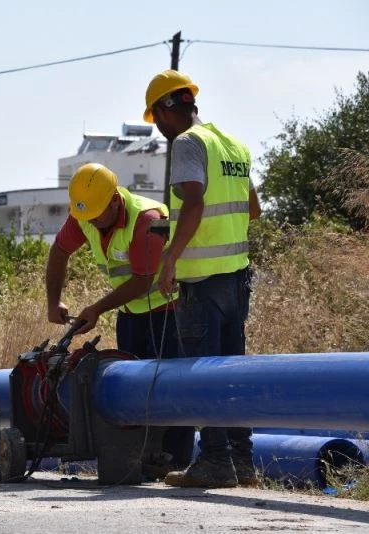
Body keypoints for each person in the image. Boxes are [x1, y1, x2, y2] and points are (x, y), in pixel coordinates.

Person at [143, 70, 262, 488]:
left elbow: (193, 204)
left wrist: (171, 257)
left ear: (164, 110)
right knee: (233, 373)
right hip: (236, 279)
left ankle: (214, 461)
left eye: (155, 118)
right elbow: (252, 209)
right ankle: (243, 463)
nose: (157, 129)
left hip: (201, 284)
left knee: (202, 372)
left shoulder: (188, 143)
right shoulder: (232, 144)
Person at [45, 162, 195, 475]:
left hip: (169, 314)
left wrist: (97, 308)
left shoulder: (147, 220)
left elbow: (142, 279)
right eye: (86, 217)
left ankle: (178, 463)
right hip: (131, 315)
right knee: (134, 393)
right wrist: (53, 301)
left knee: (172, 390)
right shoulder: (86, 214)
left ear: (115, 200)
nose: (92, 223)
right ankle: (142, 462)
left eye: (97, 215)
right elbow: (59, 252)